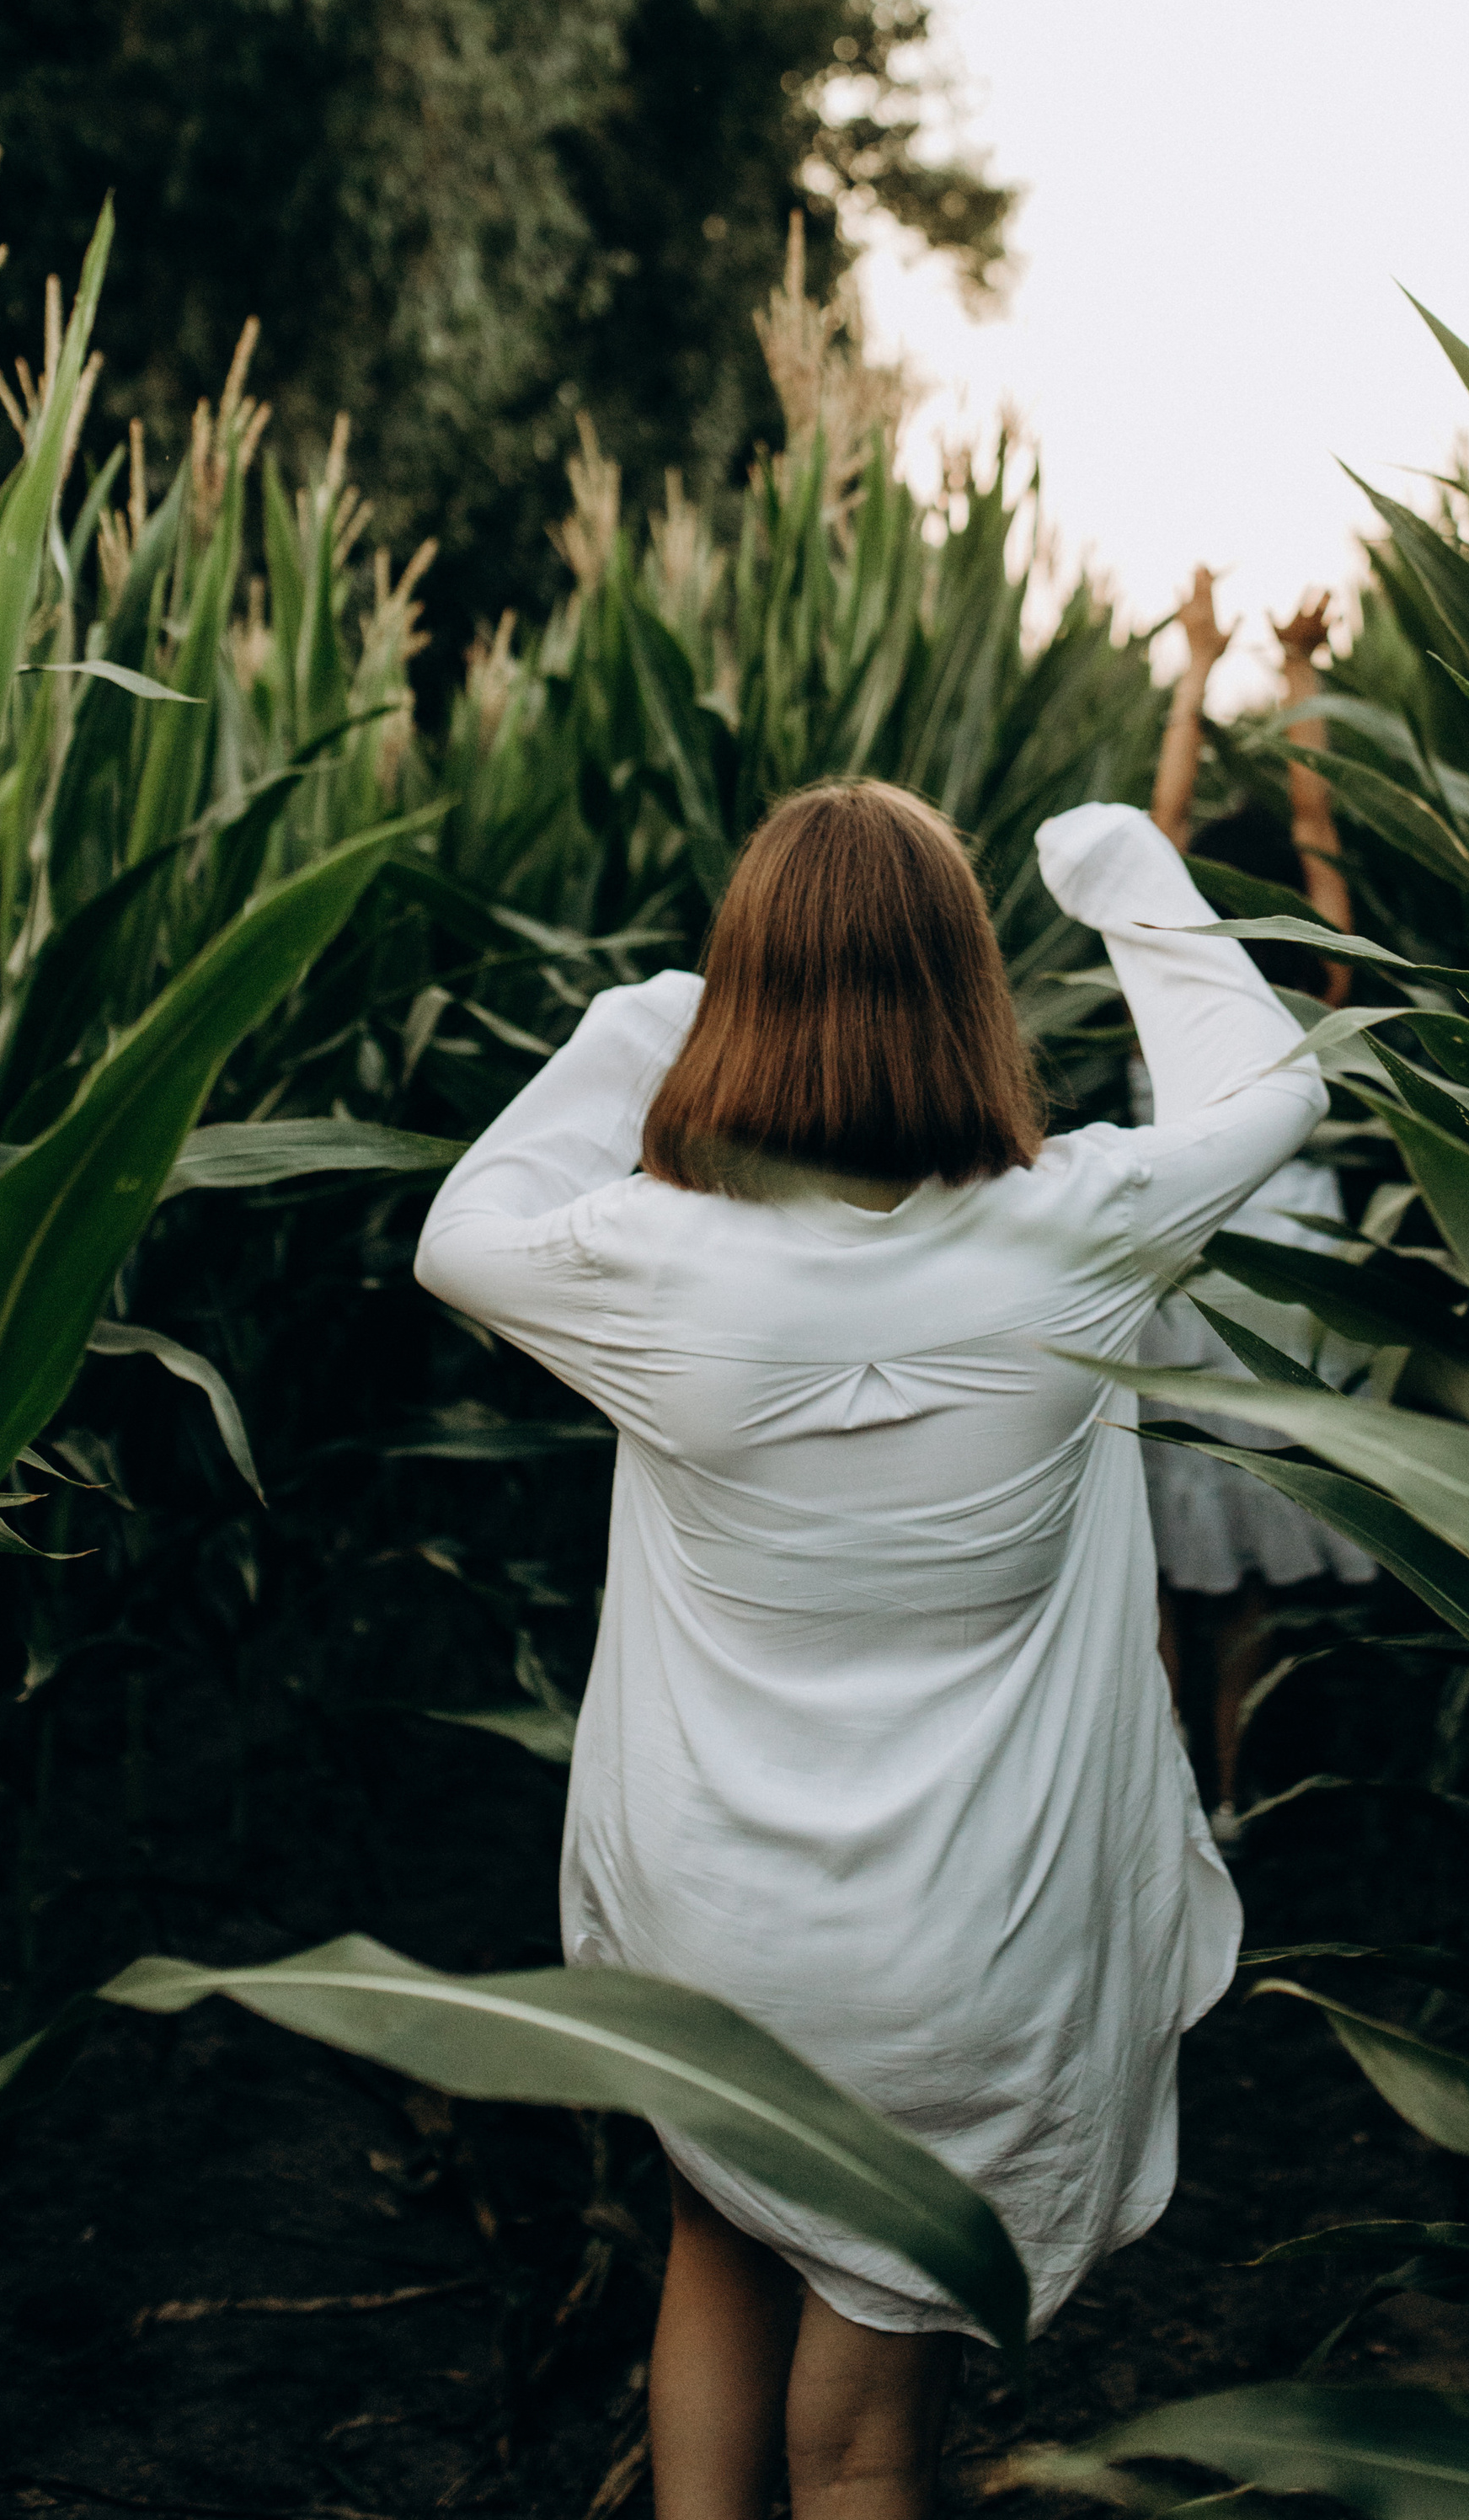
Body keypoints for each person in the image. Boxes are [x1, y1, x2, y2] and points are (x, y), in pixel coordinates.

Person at [414, 780, 1325, 2520]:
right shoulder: (1077, 1229)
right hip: (960, 1957)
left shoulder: (645, 1260)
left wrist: (641, 1026)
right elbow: (1272, 1083)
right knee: (860, 2443)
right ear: (967, 992)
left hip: (713, 1934)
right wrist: (1128, 870)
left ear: (750, 987)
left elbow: (456, 1230)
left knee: (716, 2226)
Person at [1141, 569, 1376, 1840]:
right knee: (1247, 1576)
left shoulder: (1160, 971)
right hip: (1291, 1270)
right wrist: (1300, 678)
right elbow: (1320, 823)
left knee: (1164, 1560)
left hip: (1175, 1264)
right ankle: (1239, 1795)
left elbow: (1157, 826)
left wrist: (1197, 663)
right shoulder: (1323, 980)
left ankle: (1170, 1796)